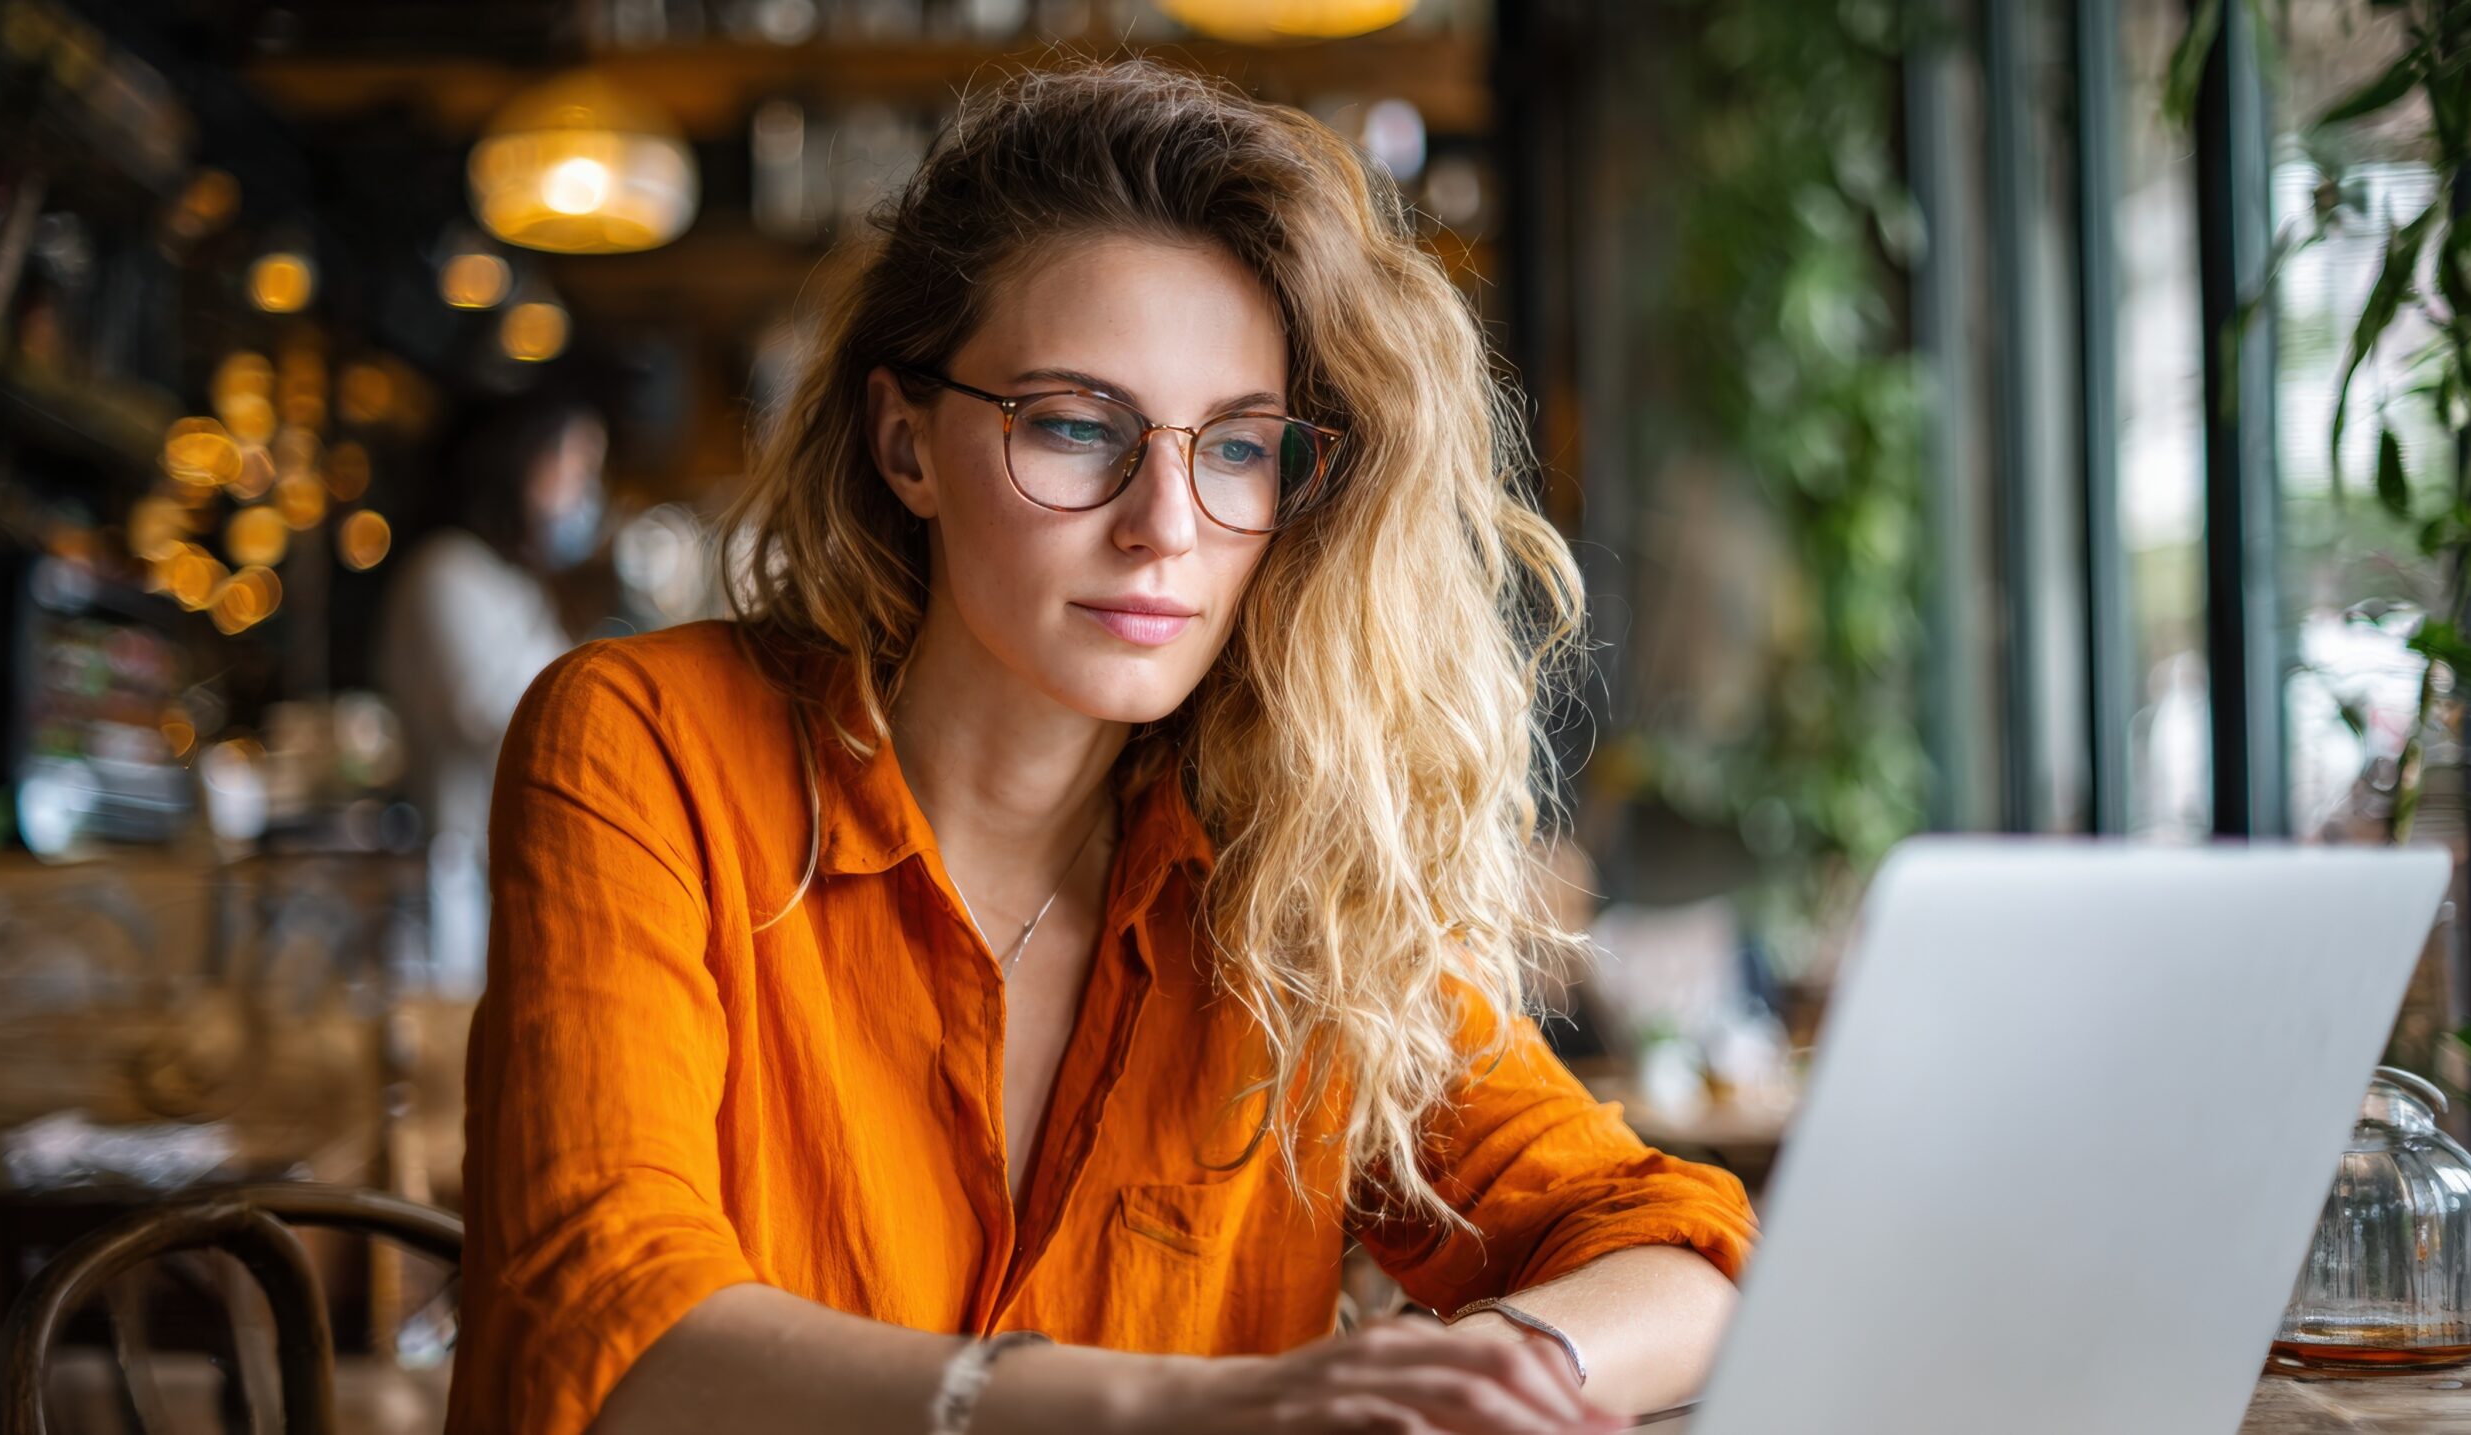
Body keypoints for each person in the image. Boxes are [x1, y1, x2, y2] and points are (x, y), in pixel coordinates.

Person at [448, 59, 1756, 1435]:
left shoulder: (1291, 863)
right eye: (1077, 427)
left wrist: (1452, 1380)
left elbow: (1679, 1251)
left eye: (1239, 450)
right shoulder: (646, 742)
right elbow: (612, 1319)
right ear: (906, 441)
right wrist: (1203, 1404)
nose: (1167, 526)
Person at [376, 391, 611, 995]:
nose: (587, 492)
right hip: (456, 905)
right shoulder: (444, 572)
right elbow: (521, 727)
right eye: (575, 467)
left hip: (509, 894)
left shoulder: (516, 587)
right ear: (520, 463)